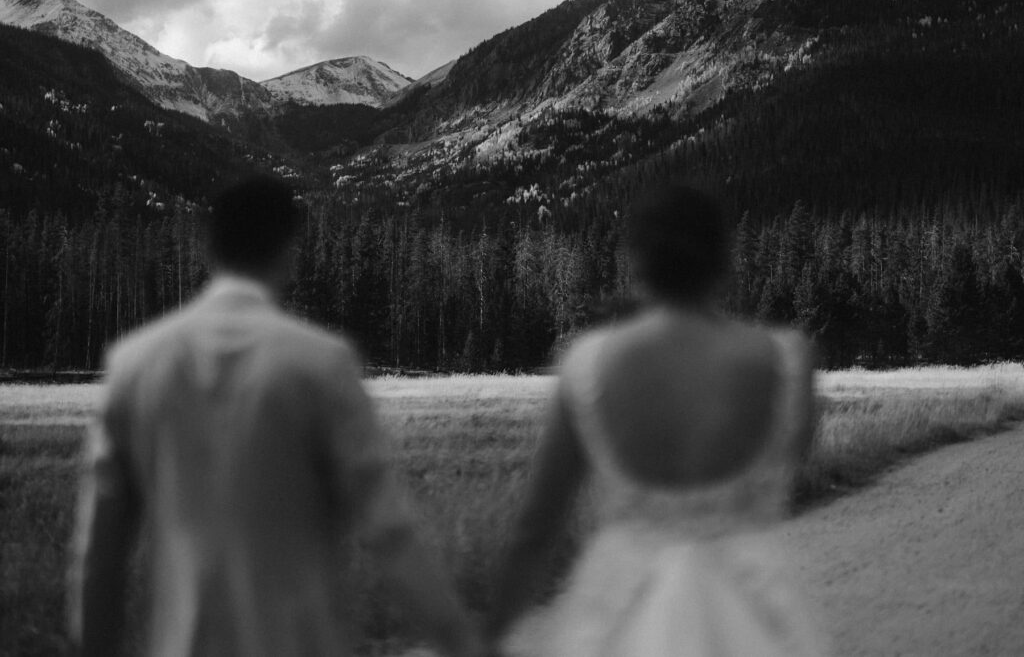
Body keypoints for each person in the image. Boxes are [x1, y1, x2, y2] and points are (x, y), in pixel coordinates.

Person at [67, 175, 482, 657]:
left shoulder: (133, 364)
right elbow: (389, 530)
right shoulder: (322, 363)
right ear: (289, 251)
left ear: (209, 250)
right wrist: (460, 641)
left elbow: (98, 556)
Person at [486, 183, 829, 656]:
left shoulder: (585, 364)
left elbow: (536, 529)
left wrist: (488, 637)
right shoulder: (789, 360)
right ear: (722, 262)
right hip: (754, 609)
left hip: (622, 608)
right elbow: (793, 459)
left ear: (638, 265)